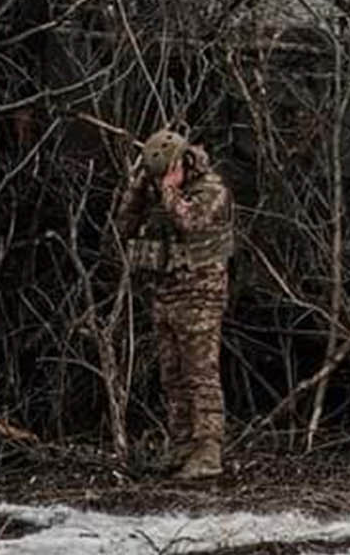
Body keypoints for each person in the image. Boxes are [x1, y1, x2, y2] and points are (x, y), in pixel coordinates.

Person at [116, 128, 234, 479]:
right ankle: (182, 444)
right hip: (165, 292)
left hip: (200, 294)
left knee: (201, 375)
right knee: (173, 375)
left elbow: (189, 222)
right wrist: (138, 189)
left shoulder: (212, 190)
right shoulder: (155, 191)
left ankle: (208, 451)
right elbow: (123, 226)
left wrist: (169, 188)